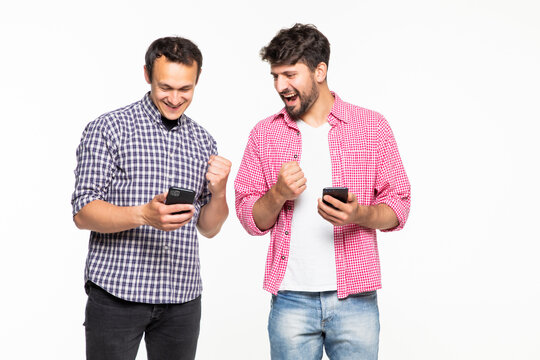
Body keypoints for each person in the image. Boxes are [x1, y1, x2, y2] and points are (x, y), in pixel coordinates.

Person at [234, 24, 411, 360]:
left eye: (289, 74)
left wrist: (360, 214)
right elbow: (249, 218)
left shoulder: (371, 127)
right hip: (290, 300)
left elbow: (399, 206)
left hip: (355, 299)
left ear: (319, 71)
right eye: (275, 76)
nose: (280, 86)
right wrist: (277, 193)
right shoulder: (264, 134)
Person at [72, 36, 231, 360]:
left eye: (185, 89)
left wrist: (220, 191)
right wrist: (143, 215)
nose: (175, 98)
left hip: (182, 298)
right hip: (117, 295)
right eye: (165, 87)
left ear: (197, 81)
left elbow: (209, 228)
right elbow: (83, 211)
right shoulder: (109, 128)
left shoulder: (203, 141)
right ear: (147, 75)